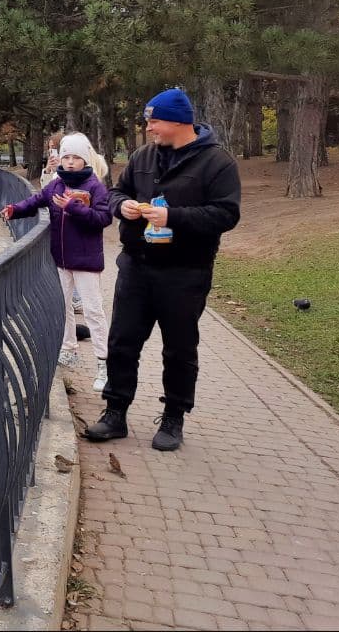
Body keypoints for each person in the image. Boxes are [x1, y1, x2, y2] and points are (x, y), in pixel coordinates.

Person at [83, 88, 240, 452]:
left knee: (179, 349)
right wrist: (123, 207)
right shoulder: (143, 156)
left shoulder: (218, 163)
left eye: (154, 121)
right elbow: (116, 193)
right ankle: (115, 413)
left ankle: (173, 419)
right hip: (137, 267)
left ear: (177, 122)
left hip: (185, 272)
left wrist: (174, 217)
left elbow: (226, 214)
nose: (149, 127)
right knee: (122, 342)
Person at [0, 133, 113, 390]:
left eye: (76, 158)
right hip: (60, 258)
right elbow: (35, 201)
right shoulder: (56, 185)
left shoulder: (95, 187)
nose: (71, 162)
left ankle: (104, 362)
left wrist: (73, 208)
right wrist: (14, 210)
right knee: (63, 307)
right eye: (67, 157)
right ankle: (69, 348)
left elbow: (103, 219)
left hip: (86, 260)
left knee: (94, 311)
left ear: (86, 160)